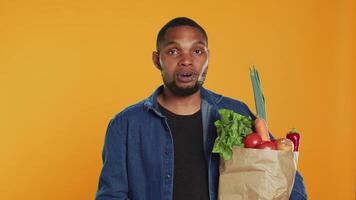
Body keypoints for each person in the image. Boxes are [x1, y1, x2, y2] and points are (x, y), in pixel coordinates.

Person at [95, 17, 308, 200]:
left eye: (197, 51)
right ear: (157, 59)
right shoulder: (125, 125)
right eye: (173, 51)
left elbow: (285, 177)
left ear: (208, 57)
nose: (186, 60)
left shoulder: (235, 114)